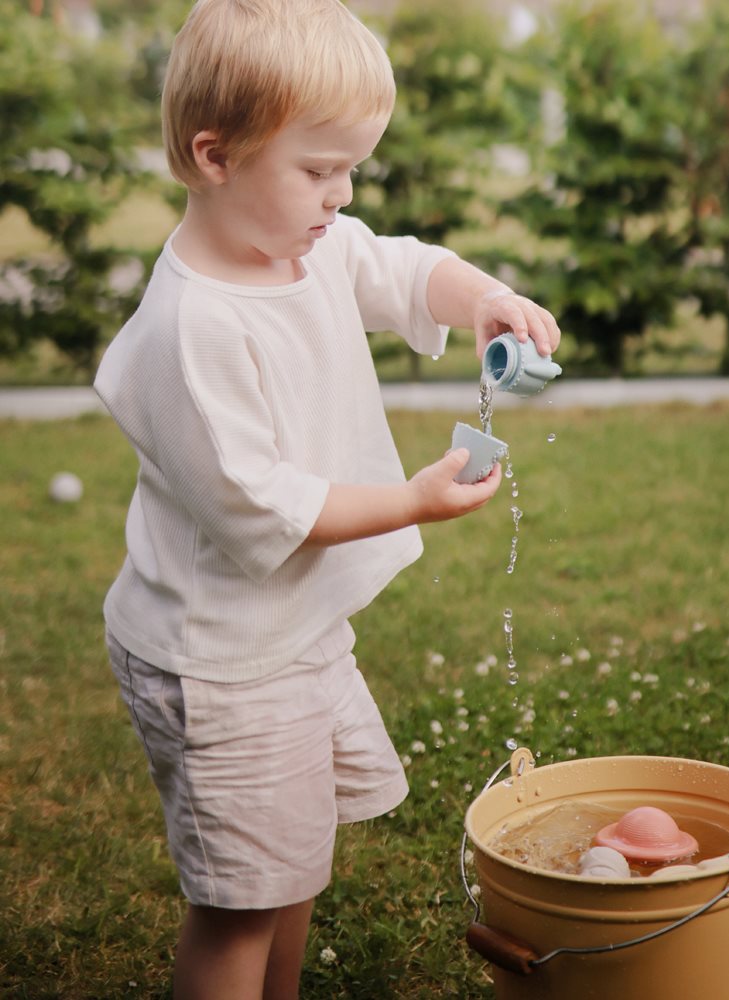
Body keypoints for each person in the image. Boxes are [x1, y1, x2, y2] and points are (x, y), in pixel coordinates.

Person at [93, 1, 560, 996]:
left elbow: (398, 265)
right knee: (239, 906)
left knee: (292, 867)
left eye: (351, 169)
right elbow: (269, 507)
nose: (340, 195)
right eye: (318, 169)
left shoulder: (304, 245)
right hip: (221, 662)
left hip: (292, 634)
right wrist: (413, 499)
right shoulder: (193, 330)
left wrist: (479, 295)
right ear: (214, 157)